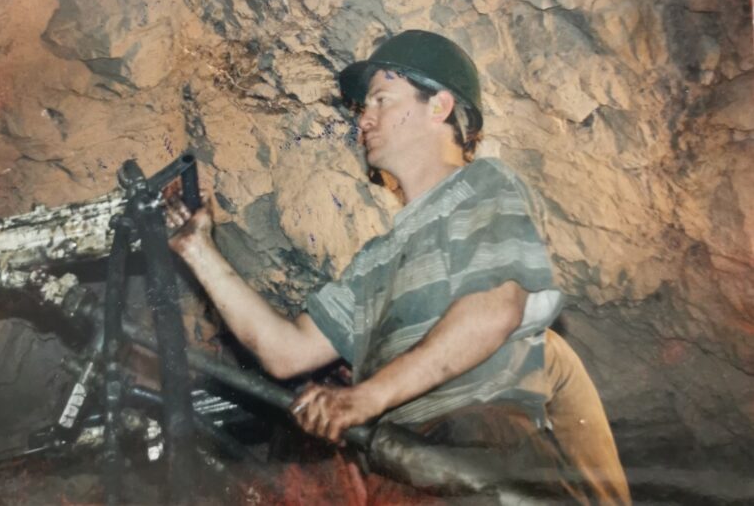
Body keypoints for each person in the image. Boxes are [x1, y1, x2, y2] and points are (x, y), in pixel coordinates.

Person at [167, 30, 630, 504]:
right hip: (400, 467)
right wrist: (197, 250)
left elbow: (493, 311)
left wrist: (364, 398)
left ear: (439, 106)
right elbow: (286, 352)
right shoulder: (376, 259)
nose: (363, 119)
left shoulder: (483, 186)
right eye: (363, 108)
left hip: (478, 453)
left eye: (380, 100)